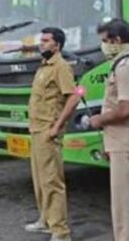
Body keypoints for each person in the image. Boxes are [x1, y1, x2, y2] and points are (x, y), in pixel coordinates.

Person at [89, 18, 129, 241]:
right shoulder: (128, 62)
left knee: (126, 206)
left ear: (117, 40)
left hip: (127, 143)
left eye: (105, 41)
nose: (103, 46)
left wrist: (100, 120)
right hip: (125, 143)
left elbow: (126, 108)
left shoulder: (126, 67)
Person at [24, 27, 78, 241]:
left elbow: (72, 98)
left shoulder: (61, 67)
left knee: (52, 181)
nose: (41, 43)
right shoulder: (43, 66)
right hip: (36, 130)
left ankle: (60, 231)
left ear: (57, 45)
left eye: (46, 40)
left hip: (48, 131)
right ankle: (45, 220)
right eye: (41, 40)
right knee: (39, 179)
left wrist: (56, 128)